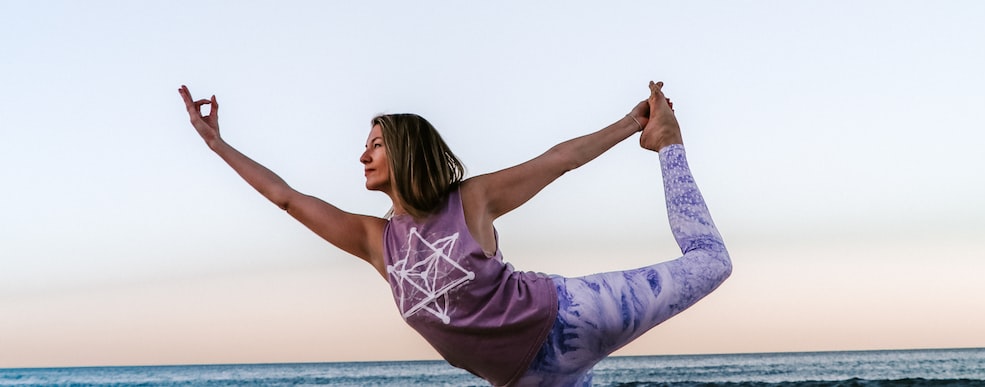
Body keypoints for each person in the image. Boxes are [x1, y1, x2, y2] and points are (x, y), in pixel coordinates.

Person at [179, 81, 732, 387]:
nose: (363, 155)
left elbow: (558, 159)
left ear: (404, 150)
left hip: (570, 316)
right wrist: (216, 144)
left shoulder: (469, 200)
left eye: (375, 144)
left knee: (712, 264)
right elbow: (286, 197)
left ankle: (669, 143)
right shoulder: (375, 242)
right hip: (525, 384)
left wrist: (633, 124)